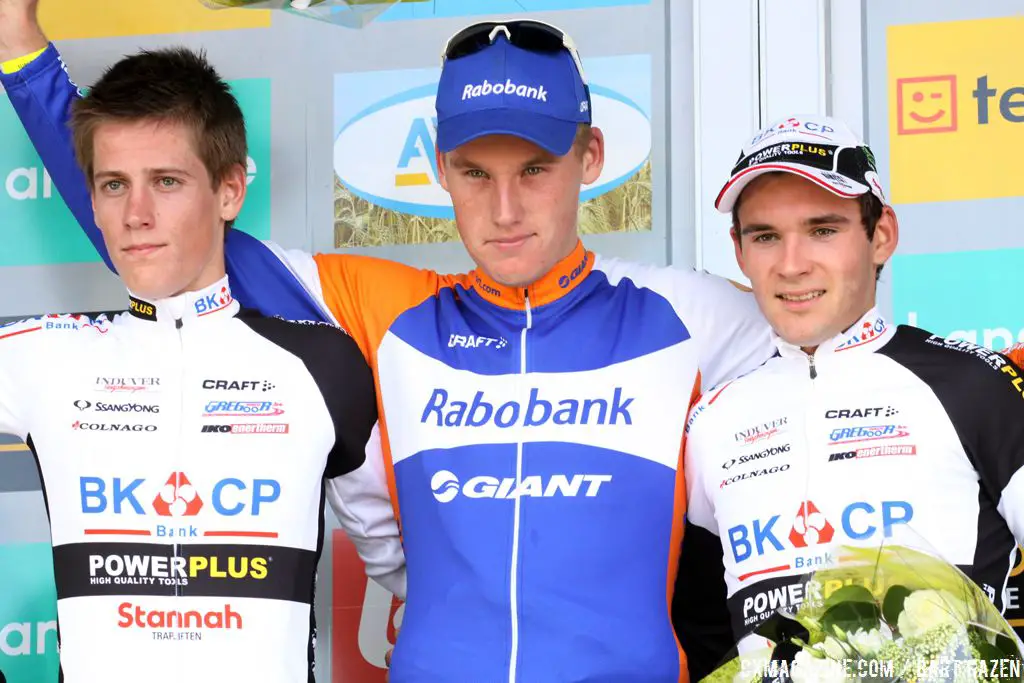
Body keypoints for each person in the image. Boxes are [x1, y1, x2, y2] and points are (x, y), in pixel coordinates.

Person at [2, 7, 777, 682]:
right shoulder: (388, 314)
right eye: (475, 171)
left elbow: (840, 367)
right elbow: (163, 240)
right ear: (441, 167)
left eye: (536, 169)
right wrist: (19, 44)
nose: (505, 208)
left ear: (592, 158)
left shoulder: (687, 313)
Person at [0, 46, 404, 683]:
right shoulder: (41, 357)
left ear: (230, 190)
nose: (136, 215)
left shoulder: (324, 362)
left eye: (166, 181)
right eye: (113, 185)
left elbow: (410, 569)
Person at [674, 114, 1024, 678]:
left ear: (880, 235)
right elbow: (699, 629)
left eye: (823, 229)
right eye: (765, 236)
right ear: (739, 253)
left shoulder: (973, 383)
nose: (792, 265)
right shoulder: (711, 421)